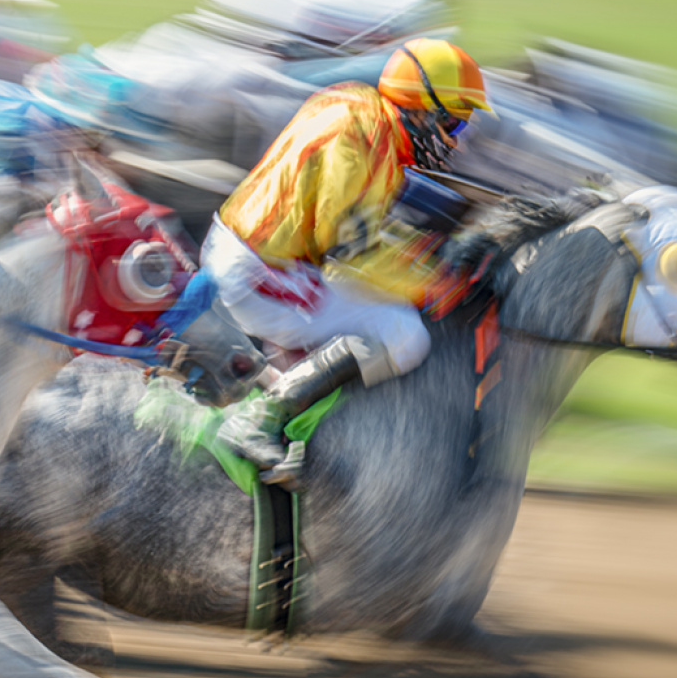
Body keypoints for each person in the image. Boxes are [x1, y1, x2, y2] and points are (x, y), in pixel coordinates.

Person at [204, 36, 490, 478]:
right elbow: (348, 251)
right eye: (453, 125)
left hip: (264, 257)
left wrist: (425, 259)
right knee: (404, 334)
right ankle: (259, 421)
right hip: (260, 270)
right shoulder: (364, 140)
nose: (457, 143)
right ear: (421, 109)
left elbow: (358, 230)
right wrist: (435, 285)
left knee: (386, 306)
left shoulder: (362, 110)